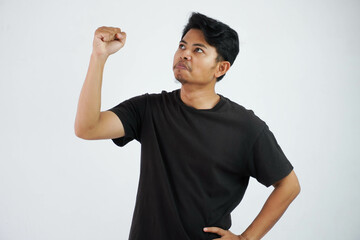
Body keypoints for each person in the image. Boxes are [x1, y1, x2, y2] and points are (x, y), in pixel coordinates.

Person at [75, 12, 300, 240]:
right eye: (182, 46)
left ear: (221, 68)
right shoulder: (149, 109)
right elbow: (88, 128)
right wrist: (99, 56)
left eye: (198, 50)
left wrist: (246, 238)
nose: (185, 54)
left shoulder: (246, 127)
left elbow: (289, 185)